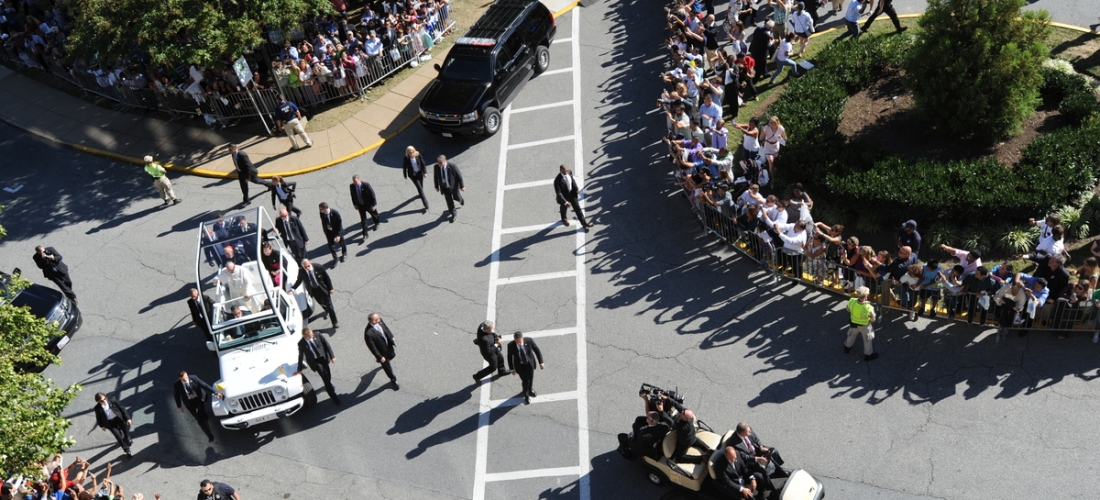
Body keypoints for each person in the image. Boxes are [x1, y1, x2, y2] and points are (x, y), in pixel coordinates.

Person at [173, 371, 222, 442]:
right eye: (183, 379)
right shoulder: (177, 385)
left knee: (202, 410)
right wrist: (179, 406)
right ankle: (209, 435)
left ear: (187, 375)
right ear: (179, 378)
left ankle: (204, 414)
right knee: (199, 419)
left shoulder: (194, 378)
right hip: (189, 402)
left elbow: (205, 385)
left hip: (199, 399)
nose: (185, 380)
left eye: (186, 377)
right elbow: (177, 396)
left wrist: (215, 393)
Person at [296, 328, 339, 405]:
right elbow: (301, 356)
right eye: (310, 336)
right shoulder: (301, 343)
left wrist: (332, 356)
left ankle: (328, 385)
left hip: (323, 358)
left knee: (328, 375)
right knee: (325, 378)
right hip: (315, 362)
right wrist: (299, 369)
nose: (312, 336)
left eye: (312, 334)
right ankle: (334, 397)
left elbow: (327, 345)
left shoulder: (318, 335)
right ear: (305, 336)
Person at [294, 259, 338, 329]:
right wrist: (293, 288)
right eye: (305, 267)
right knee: (321, 302)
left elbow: (327, 278)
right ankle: (326, 310)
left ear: (310, 263)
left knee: (330, 305)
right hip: (313, 290)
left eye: (308, 266)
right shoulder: (302, 271)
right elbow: (299, 280)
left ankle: (335, 322)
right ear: (303, 266)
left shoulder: (318, 267)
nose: (307, 268)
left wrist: (331, 288)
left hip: (323, 289)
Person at [507, 331, 544, 405]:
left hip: (529, 364)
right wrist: (512, 369)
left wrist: (541, 362)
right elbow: (509, 357)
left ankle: (530, 389)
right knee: (526, 381)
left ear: (522, 338)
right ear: (514, 340)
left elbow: (537, 350)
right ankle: (526, 395)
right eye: (517, 342)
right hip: (520, 366)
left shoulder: (529, 341)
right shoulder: (511, 345)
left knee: (531, 378)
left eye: (520, 341)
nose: (519, 343)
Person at [364, 313, 399, 390]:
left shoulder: (379, 321)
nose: (379, 320)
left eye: (379, 318)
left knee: (392, 355)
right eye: (377, 319)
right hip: (382, 352)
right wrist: (379, 357)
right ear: (373, 321)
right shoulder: (368, 333)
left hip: (388, 345)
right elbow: (372, 347)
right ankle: (393, 379)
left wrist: (391, 336)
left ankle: (386, 362)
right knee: (387, 366)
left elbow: (385, 327)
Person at [844, 286, 878, 361]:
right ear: (866, 296)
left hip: (853, 325)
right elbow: (873, 319)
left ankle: (847, 347)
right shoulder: (869, 308)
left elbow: (848, 309)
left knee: (851, 336)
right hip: (865, 327)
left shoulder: (852, 301)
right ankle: (868, 355)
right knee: (867, 340)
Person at [554, 165, 594, 229]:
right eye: (565, 171)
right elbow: (559, 193)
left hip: (572, 194)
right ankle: (564, 219)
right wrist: (565, 202)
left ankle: (584, 223)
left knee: (578, 209)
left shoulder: (569, 172)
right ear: (561, 171)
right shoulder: (557, 180)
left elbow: (572, 181)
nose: (566, 172)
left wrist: (576, 189)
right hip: (564, 197)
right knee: (563, 208)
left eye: (567, 170)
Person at [93, 393, 133, 457]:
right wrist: (102, 426)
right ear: (98, 401)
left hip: (118, 418)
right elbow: (98, 418)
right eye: (101, 401)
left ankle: (127, 437)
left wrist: (127, 418)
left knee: (125, 429)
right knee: (118, 436)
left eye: (105, 399)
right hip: (110, 423)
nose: (104, 401)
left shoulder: (112, 401)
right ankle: (126, 449)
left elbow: (122, 408)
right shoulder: (97, 408)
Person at [433, 155, 465, 222]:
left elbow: (459, 176)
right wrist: (436, 186)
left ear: (445, 161)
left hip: (453, 186)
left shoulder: (452, 165)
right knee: (449, 201)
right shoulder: (436, 167)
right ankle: (454, 214)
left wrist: (462, 186)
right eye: (438, 163)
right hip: (444, 187)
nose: (439, 164)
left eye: (440, 163)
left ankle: (461, 199)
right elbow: (436, 177)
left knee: (457, 196)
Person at [402, 146, 430, 211]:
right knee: (419, 188)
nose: (411, 154)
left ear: (414, 151)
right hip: (413, 175)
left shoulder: (418, 155)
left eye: (412, 152)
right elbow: (404, 167)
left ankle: (420, 194)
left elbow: (423, 164)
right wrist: (405, 175)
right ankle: (425, 203)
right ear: (407, 153)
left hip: (420, 173)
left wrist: (425, 172)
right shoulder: (406, 159)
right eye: (409, 153)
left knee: (421, 186)